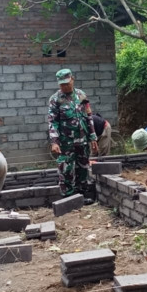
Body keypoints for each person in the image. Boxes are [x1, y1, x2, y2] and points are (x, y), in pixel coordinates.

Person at [48, 68, 99, 203]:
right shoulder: (55, 99)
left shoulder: (82, 95)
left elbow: (89, 117)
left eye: (67, 83)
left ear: (72, 79)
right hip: (65, 142)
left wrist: (93, 137)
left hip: (82, 140)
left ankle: (82, 194)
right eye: (61, 84)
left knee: (83, 167)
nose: (64, 86)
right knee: (66, 169)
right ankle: (68, 198)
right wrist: (54, 141)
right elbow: (53, 122)